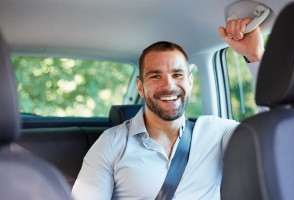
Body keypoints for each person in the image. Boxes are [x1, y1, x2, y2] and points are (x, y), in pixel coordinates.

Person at [72, 18, 264, 200]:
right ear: (140, 87)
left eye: (177, 74)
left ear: (190, 82)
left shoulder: (217, 132)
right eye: (156, 76)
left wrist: (255, 56)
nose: (168, 85)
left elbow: (278, 135)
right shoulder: (111, 144)